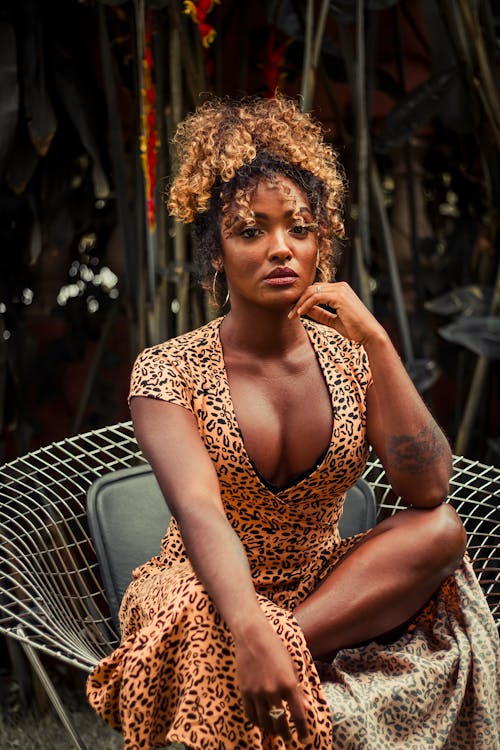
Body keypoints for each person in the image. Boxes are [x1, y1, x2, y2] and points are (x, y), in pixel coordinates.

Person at [87, 96, 499, 750]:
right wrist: (248, 628)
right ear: (216, 252)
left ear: (321, 242)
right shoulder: (170, 370)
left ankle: (287, 643)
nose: (280, 247)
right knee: (202, 615)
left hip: (320, 587)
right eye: (251, 230)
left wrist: (379, 344)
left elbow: (428, 492)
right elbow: (200, 511)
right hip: (202, 585)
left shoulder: (350, 357)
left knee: (443, 530)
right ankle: (258, 646)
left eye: (299, 228)